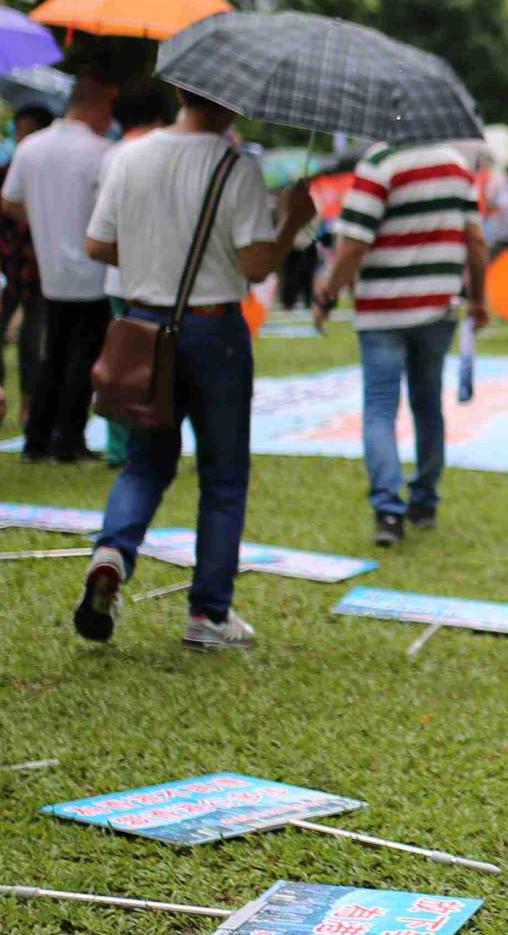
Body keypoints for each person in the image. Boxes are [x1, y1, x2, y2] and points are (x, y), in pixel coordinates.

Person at [72, 87, 314, 650]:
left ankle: (111, 553)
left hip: (143, 327)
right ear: (231, 103)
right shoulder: (237, 167)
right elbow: (255, 265)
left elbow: (96, 244)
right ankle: (208, 614)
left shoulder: (128, 155)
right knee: (223, 478)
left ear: (179, 91)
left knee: (143, 464)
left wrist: (158, 255)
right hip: (214, 332)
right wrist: (291, 221)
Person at [314, 140, 488, 548]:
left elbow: (354, 243)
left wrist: (327, 294)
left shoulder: (378, 163)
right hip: (438, 307)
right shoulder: (456, 167)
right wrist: (479, 299)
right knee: (428, 405)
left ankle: (388, 511)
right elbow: (476, 240)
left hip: (381, 312)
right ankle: (424, 502)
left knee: (379, 408)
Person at [1, 72, 118, 462]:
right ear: (97, 103)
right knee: (82, 358)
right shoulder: (102, 151)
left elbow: (9, 200)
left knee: (53, 356)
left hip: (51, 269)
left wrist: (43, 221)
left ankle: (37, 438)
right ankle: (69, 439)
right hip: (93, 270)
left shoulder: (31, 147)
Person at [98, 86, 176, 468]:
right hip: (159, 278)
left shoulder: (112, 155)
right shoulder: (165, 155)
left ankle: (119, 448)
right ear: (159, 119)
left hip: (119, 275)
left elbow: (100, 232)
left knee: (119, 363)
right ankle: (147, 442)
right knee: (158, 364)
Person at [0, 101, 51, 431]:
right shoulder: (6, 172)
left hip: (38, 272)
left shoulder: (49, 175)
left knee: (34, 341)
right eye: (19, 132)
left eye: (28, 132)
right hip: (9, 268)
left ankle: (30, 407)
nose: (22, 139)